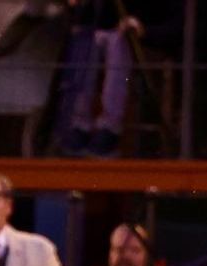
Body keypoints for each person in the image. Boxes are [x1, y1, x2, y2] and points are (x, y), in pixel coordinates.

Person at [54, 0, 183, 158]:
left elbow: (176, 28)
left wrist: (144, 30)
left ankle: (109, 129)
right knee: (86, 38)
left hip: (141, 41)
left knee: (118, 41)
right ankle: (78, 125)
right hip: (100, 35)